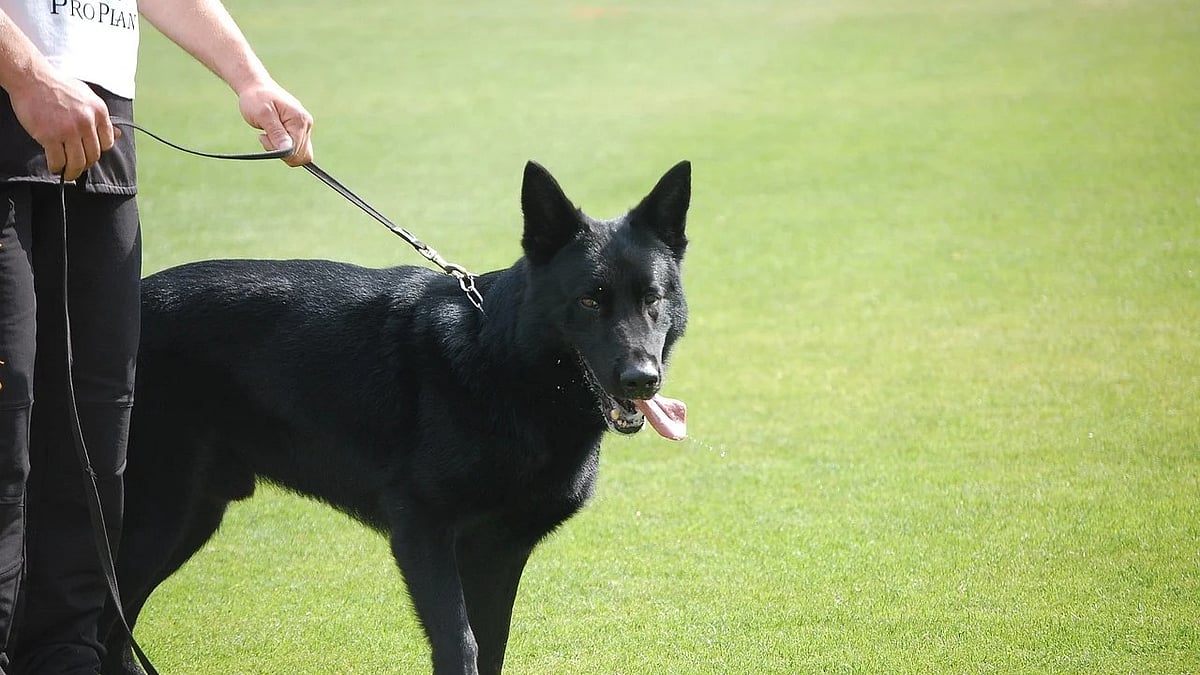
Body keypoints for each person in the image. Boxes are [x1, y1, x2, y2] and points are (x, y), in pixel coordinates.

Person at [0, 0, 313, 671]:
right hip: (15, 88)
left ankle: (67, 653)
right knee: (8, 414)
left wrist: (248, 76)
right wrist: (24, 72)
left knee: (97, 416)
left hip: (101, 118)